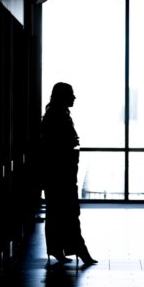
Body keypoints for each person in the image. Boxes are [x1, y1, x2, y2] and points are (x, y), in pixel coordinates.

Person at [39, 82, 97, 266]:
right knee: (69, 213)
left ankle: (59, 249)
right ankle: (77, 248)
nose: (74, 97)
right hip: (61, 174)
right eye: (71, 94)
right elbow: (58, 147)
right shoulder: (59, 118)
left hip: (57, 174)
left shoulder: (54, 116)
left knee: (57, 213)